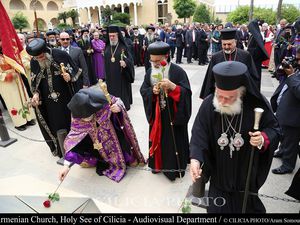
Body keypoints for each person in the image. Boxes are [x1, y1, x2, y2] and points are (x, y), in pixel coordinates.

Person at [190, 61, 281, 213]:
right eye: (219, 95)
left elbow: (275, 130)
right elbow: (199, 134)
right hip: (219, 178)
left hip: (245, 179)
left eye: (229, 97)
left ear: (241, 93)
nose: (222, 101)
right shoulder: (209, 105)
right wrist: (195, 159)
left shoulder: (256, 105)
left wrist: (263, 138)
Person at [59, 86, 145, 183]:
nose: (86, 120)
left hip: (113, 133)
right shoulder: (76, 116)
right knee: (80, 145)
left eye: (88, 116)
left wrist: (118, 107)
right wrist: (66, 166)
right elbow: (73, 140)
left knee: (124, 145)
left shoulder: (101, 99)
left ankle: (127, 158)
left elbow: (118, 101)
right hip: (94, 143)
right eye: (83, 118)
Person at [140, 40, 192, 181]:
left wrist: (174, 87)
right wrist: (153, 91)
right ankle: (157, 165)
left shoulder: (178, 71)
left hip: (173, 117)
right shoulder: (150, 72)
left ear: (166, 56)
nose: (155, 64)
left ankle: (173, 169)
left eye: (158, 61)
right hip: (157, 115)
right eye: (152, 61)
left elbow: (187, 93)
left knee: (172, 141)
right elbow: (143, 90)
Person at [27, 38, 81, 157]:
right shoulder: (34, 61)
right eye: (37, 58)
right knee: (54, 122)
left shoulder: (60, 54)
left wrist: (69, 77)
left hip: (66, 98)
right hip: (48, 101)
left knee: (69, 121)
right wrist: (35, 94)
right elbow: (34, 81)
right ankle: (60, 147)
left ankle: (75, 146)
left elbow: (75, 72)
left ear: (46, 51)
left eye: (41, 56)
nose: (39, 59)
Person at [200, 28, 260, 99]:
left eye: (229, 44)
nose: (226, 47)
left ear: (235, 42)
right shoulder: (216, 57)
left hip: (240, 95)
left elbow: (253, 76)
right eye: (224, 44)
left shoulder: (245, 55)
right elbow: (210, 78)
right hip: (221, 95)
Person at [270, 47, 300, 174]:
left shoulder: (295, 73)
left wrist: (292, 75)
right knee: (284, 135)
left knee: (291, 140)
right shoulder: (297, 67)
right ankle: (282, 151)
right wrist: (282, 67)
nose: (297, 61)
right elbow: (279, 75)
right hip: (286, 110)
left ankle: (288, 165)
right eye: (297, 58)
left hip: (294, 115)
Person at [0, 37, 35, 131]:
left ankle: (29, 118)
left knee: (23, 98)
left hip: (17, 78)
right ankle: (19, 123)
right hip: (6, 83)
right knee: (13, 101)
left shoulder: (7, 53)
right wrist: (4, 76)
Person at [104, 25, 134, 111]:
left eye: (114, 36)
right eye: (110, 36)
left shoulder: (123, 47)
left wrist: (125, 63)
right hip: (110, 76)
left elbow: (130, 61)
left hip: (121, 76)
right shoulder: (107, 47)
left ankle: (122, 106)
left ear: (118, 35)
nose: (112, 38)